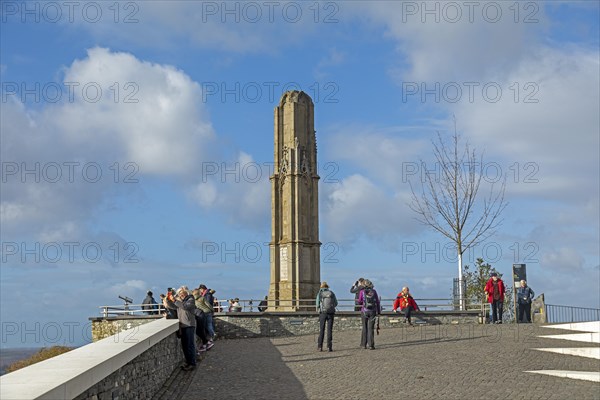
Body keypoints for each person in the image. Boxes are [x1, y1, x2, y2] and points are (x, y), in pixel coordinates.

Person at [164, 286, 197, 371]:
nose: (180, 295)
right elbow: (173, 307)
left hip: (189, 325)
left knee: (190, 345)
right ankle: (188, 361)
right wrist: (168, 300)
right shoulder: (181, 301)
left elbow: (185, 307)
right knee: (184, 345)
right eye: (179, 294)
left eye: (182, 293)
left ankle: (192, 363)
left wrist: (175, 300)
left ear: (186, 293)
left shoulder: (191, 300)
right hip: (183, 325)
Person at [356, 279, 381, 350]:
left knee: (364, 327)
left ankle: (363, 344)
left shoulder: (362, 291)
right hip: (373, 311)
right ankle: (371, 345)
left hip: (364, 311)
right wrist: (378, 312)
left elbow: (359, 301)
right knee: (371, 328)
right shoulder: (374, 291)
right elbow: (377, 302)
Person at [316, 282, 338, 352]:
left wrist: (319, 310)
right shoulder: (331, 293)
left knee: (322, 330)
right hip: (331, 313)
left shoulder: (320, 293)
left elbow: (317, 304)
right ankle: (329, 347)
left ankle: (320, 346)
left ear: (321, 287)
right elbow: (336, 303)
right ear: (327, 286)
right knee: (329, 330)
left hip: (323, 313)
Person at [192, 289, 214, 353]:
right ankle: (211, 337)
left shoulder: (193, 300)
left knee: (204, 327)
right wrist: (212, 310)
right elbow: (208, 305)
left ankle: (208, 340)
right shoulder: (202, 298)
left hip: (200, 314)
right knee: (209, 325)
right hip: (207, 312)